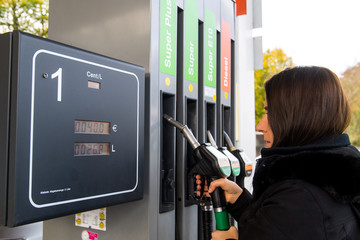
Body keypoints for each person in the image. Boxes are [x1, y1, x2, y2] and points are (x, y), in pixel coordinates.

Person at [208, 66, 360, 240]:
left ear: (297, 117)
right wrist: (240, 201)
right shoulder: (336, 175)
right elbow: (285, 228)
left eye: (269, 113)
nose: (260, 126)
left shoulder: (298, 197)